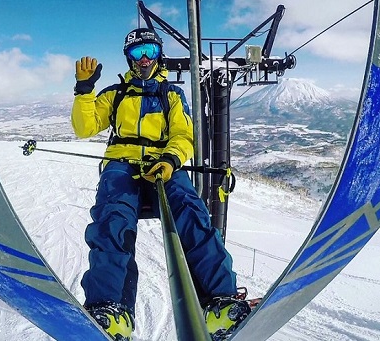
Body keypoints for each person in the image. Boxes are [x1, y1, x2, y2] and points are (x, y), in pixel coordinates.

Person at [71, 28, 250, 341]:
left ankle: (220, 301)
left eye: (150, 52)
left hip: (163, 164)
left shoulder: (170, 95)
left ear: (158, 55)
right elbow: (85, 127)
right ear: (128, 58)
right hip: (122, 164)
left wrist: (169, 160)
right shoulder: (116, 94)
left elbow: (183, 134)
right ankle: (110, 308)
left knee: (191, 210)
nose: (144, 60)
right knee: (113, 218)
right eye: (138, 53)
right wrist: (84, 91)